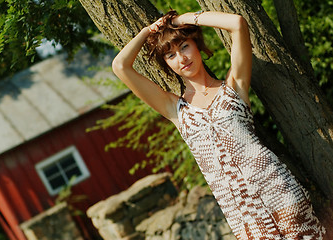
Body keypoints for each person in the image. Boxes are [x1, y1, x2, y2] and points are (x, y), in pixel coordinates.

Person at [112, 10, 325, 239]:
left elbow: (237, 23)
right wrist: (148, 31)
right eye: (171, 55)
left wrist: (182, 20)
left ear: (196, 44)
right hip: (243, 214)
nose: (182, 58)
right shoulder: (175, 109)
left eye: (184, 46)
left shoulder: (234, 86)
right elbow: (120, 66)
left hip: (279, 191)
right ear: (166, 64)